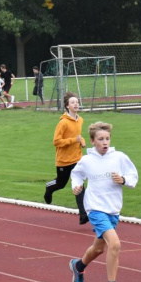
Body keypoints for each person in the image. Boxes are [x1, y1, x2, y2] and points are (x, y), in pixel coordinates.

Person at [68, 121, 139, 282]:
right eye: (100, 139)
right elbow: (76, 174)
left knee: (99, 249)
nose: (105, 142)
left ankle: (79, 266)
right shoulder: (87, 161)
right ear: (92, 141)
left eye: (107, 138)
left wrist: (123, 180)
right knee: (115, 245)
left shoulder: (119, 157)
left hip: (113, 209)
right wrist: (76, 185)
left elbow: (133, 176)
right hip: (95, 208)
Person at [44, 92, 88, 224]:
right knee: (61, 184)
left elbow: (78, 135)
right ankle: (49, 188)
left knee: (79, 184)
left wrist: (82, 141)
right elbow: (56, 141)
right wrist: (74, 140)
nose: (76, 104)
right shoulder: (63, 123)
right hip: (63, 160)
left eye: (77, 102)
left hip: (77, 158)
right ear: (67, 106)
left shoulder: (80, 120)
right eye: (73, 102)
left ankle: (83, 214)